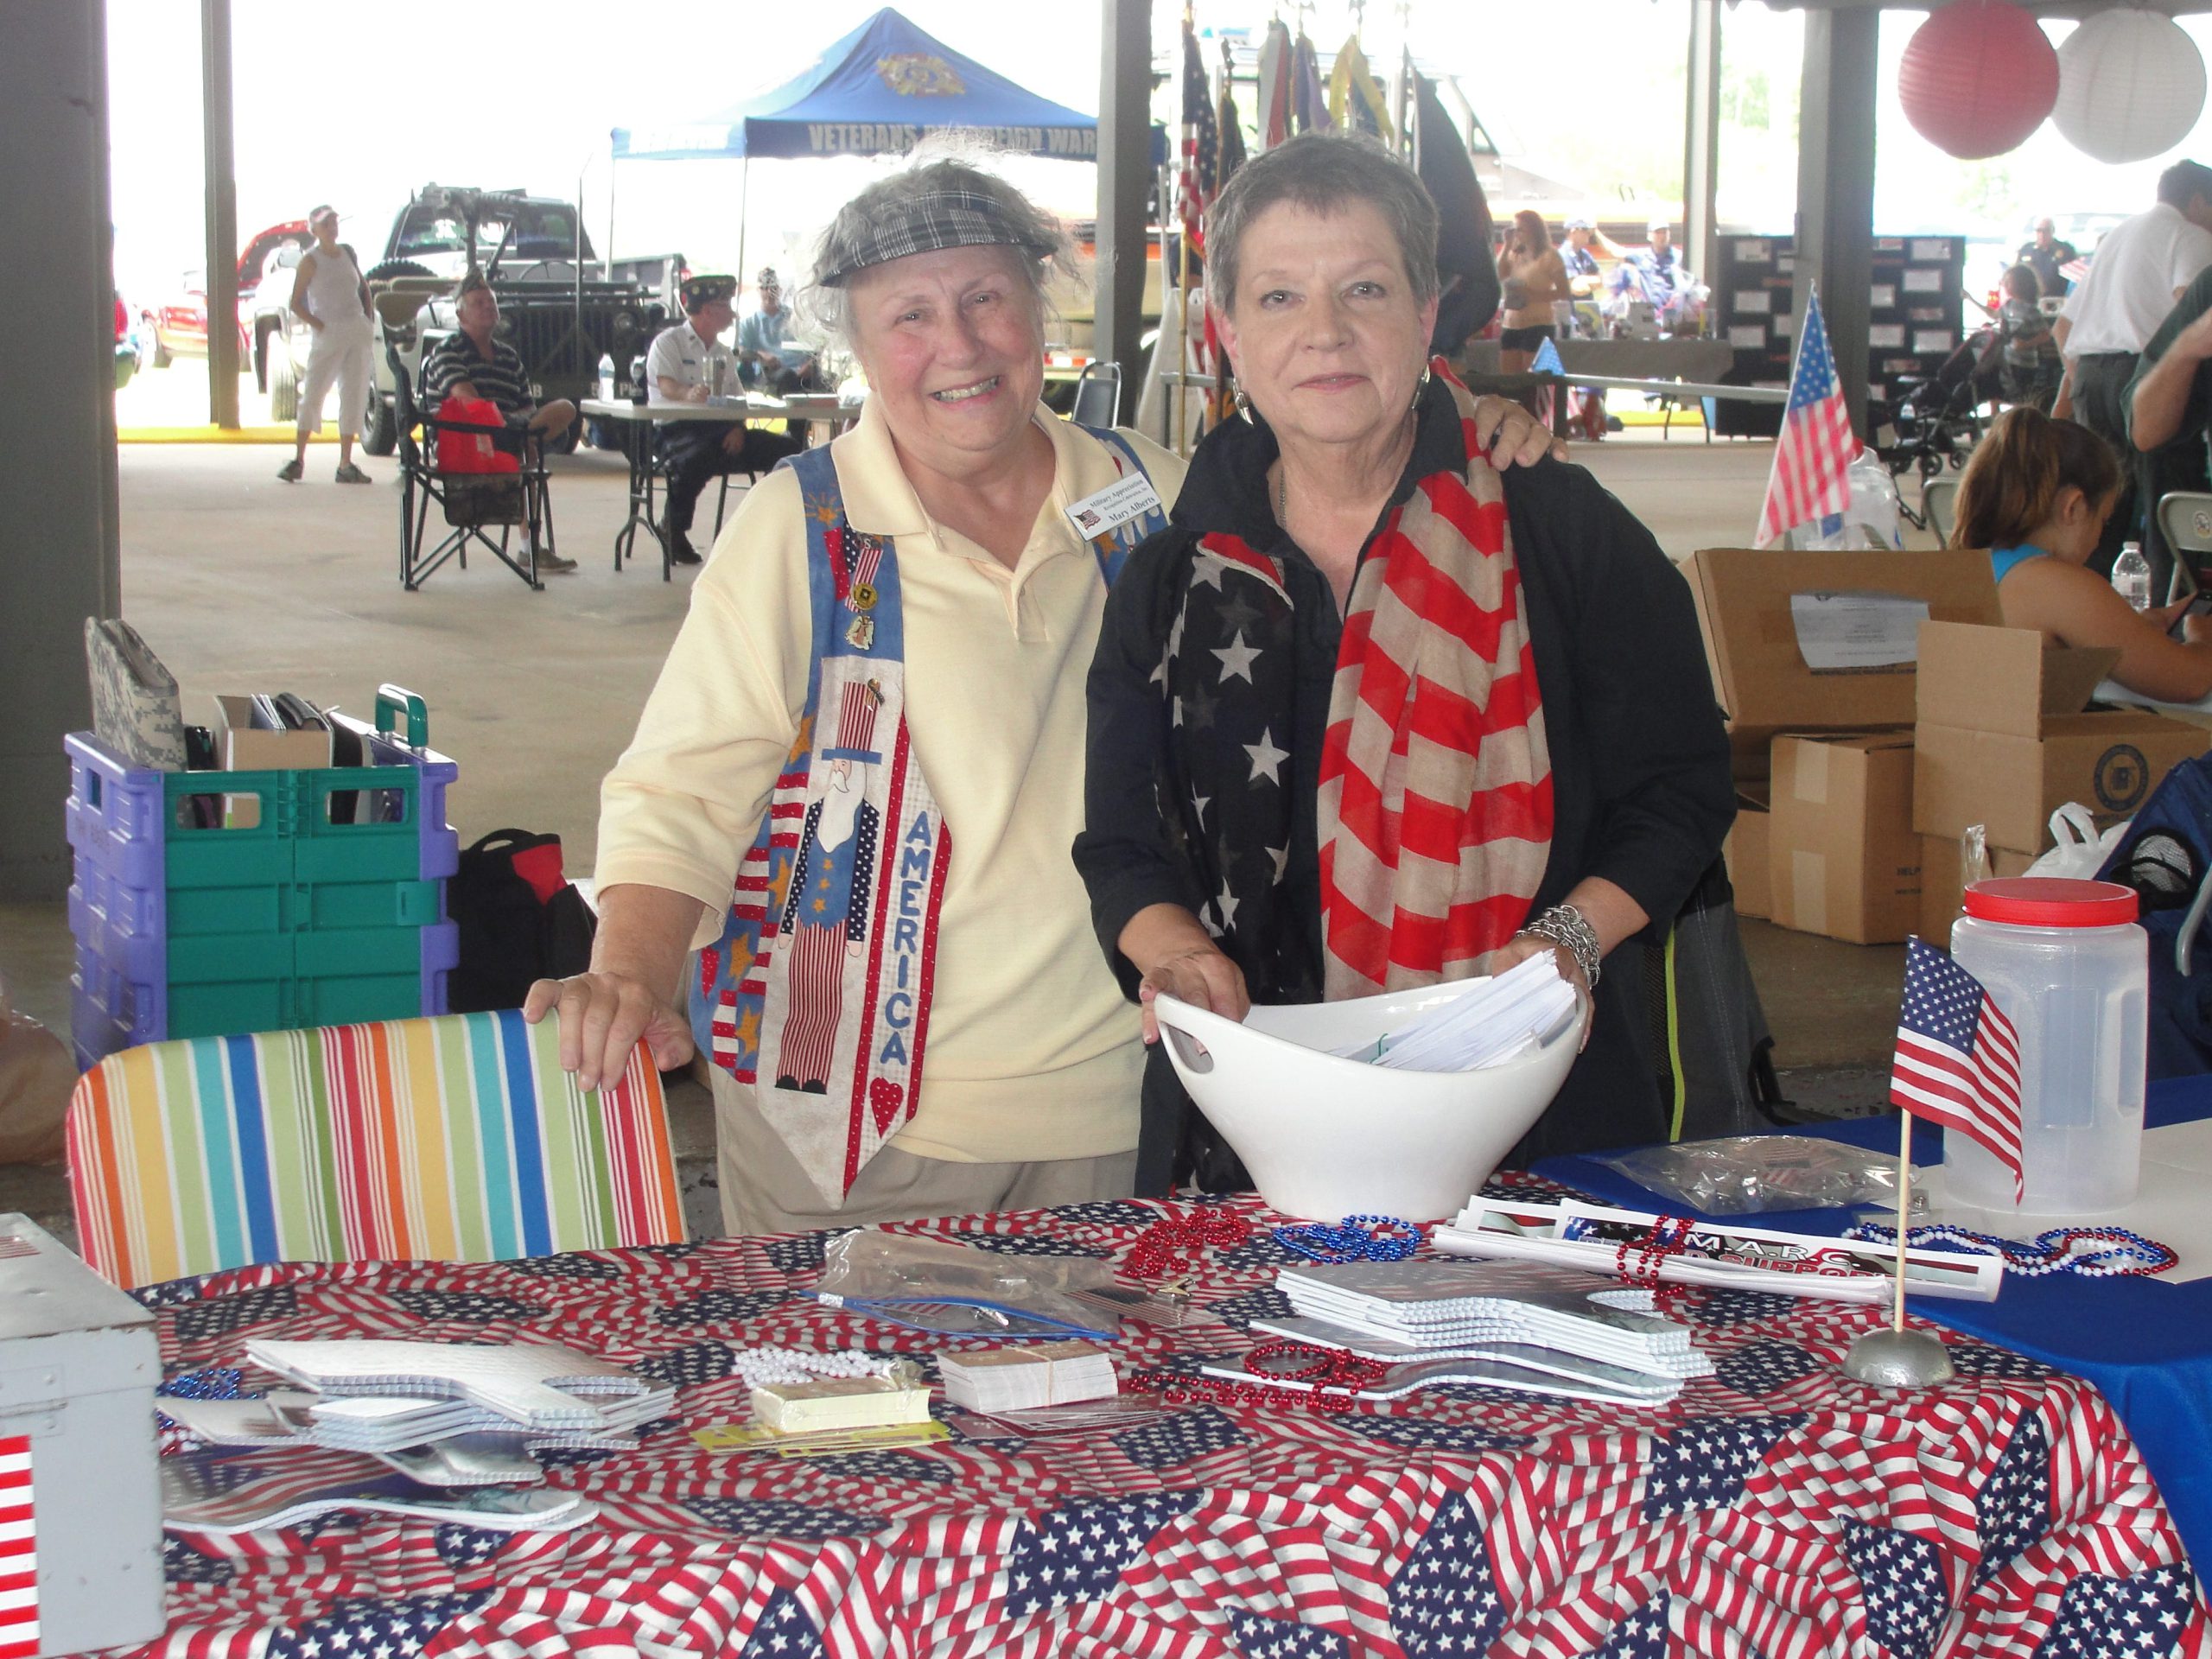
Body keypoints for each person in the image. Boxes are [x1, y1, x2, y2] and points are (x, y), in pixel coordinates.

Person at [524, 154, 1550, 1236]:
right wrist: (627, 973)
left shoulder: (1148, 494)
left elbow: (1348, 483)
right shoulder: (800, 530)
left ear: (1036, 309)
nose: (959, 346)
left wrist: (1468, 429)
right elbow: (680, 795)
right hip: (845, 1135)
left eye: (986, 299)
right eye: (910, 316)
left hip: (1127, 1110)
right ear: (857, 346)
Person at [1073, 131, 1734, 1197]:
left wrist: (1571, 938)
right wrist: (1175, 954)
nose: (1325, 331)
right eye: (1279, 297)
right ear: (1227, 332)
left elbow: (1682, 788)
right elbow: (1119, 845)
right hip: (1249, 1122)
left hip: (1531, 1100)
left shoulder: (1559, 529)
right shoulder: (1168, 579)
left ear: (1426, 315)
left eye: (1365, 289)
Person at [1954, 406, 2212, 702]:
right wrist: (2202, 638)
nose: (2100, 537)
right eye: (2103, 520)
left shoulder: (1981, 565)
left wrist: (2144, 627)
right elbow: (2188, 681)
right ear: (2073, 507)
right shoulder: (2053, 582)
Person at [2052, 160, 2212, 583]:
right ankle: (2168, 606)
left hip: (2091, 376)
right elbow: (2193, 311)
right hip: (2153, 378)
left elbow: (2062, 327)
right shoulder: (2191, 236)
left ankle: (2089, 606)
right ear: (2199, 201)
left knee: (2098, 516)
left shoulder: (2117, 237)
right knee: (2168, 513)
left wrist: (2083, 384)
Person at [419, 273, 580, 573]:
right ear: (460, 315)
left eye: (491, 302)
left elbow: (527, 406)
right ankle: (529, 546)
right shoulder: (447, 351)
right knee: (523, 447)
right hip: (464, 438)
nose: (488, 307)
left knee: (565, 409)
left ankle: (528, 547)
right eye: (478, 303)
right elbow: (467, 400)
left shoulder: (508, 356)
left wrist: (518, 427)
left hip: (510, 434)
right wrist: (510, 425)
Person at [645, 274, 805, 566]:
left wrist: (737, 427)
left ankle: (771, 528)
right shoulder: (669, 342)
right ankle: (673, 527)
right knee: (696, 456)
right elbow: (665, 385)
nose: (732, 314)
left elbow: (737, 398)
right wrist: (687, 393)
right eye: (725, 306)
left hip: (721, 429)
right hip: (676, 429)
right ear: (707, 310)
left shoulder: (723, 354)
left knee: (789, 452)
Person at [277, 205, 375, 485]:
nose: (332, 228)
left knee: (354, 393)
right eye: (325, 224)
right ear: (314, 230)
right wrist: (320, 326)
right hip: (329, 332)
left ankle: (346, 462)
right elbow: (295, 303)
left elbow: (363, 287)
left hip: (356, 329)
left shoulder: (347, 253)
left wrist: (367, 320)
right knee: (313, 393)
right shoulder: (310, 260)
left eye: (334, 222)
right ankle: (298, 458)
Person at [1494, 210, 1571, 376]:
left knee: (1531, 379)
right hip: (1512, 322)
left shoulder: (1549, 256)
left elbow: (1564, 292)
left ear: (1534, 230)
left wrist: (1532, 296)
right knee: (1508, 379)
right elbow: (1500, 274)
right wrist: (1507, 244)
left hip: (1538, 322)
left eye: (1520, 229)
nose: (1516, 233)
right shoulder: (1515, 254)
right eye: (1514, 229)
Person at [736, 267, 823, 393]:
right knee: (785, 377)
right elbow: (739, 350)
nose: (769, 292)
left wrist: (810, 365)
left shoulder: (796, 318)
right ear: (758, 291)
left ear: (780, 290)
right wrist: (761, 356)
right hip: (770, 375)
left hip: (802, 374)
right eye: (764, 288)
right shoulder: (749, 323)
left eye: (773, 288)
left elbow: (817, 346)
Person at [2019, 217, 2080, 300]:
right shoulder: (2026, 250)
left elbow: (2076, 278)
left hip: (2057, 299)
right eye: (2039, 231)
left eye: (2046, 231)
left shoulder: (2066, 250)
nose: (2042, 234)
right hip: (2032, 300)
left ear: (2053, 231)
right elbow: (2018, 275)